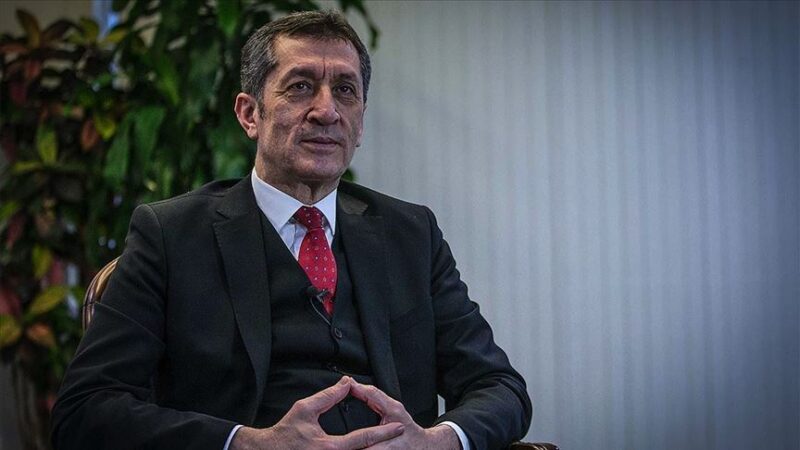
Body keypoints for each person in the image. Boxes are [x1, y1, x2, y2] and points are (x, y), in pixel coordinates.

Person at [51, 10, 531, 450]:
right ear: (249, 114)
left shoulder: (411, 234)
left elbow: (500, 387)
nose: (327, 111)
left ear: (360, 122)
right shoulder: (170, 235)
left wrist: (436, 441)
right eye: (300, 86)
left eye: (345, 90)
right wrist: (246, 443)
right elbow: (85, 409)